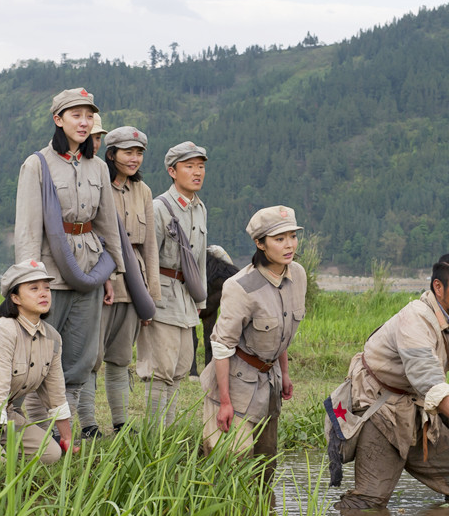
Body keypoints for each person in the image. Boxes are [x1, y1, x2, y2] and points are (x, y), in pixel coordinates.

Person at [330, 251, 449, 508]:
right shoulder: (415, 318)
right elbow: (432, 387)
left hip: (421, 411)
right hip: (382, 408)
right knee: (367, 504)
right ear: (438, 287)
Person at [14, 88, 124, 427]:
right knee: (40, 356)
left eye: (89, 116)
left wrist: (111, 275)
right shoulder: (38, 164)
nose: (84, 122)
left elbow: (107, 224)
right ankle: (35, 435)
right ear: (58, 119)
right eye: (76, 115)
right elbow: (29, 227)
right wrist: (30, 281)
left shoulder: (98, 168)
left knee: (79, 358)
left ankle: (64, 435)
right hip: (50, 272)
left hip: (90, 269)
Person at [201, 206, 307, 482]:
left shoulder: (297, 276)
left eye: (292, 237)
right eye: (279, 239)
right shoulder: (241, 286)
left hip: (268, 383)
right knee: (231, 467)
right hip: (234, 382)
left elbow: (282, 330)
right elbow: (222, 346)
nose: (289, 245)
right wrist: (225, 401)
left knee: (265, 468)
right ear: (260, 244)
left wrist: (284, 374)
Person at [77, 126, 160, 437]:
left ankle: (121, 422)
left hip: (133, 283)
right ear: (111, 154)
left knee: (121, 357)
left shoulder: (144, 192)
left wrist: (150, 295)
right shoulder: (97, 185)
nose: (134, 158)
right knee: (91, 356)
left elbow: (149, 245)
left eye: (138, 153)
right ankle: (87, 424)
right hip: (101, 279)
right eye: (127, 152)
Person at [0, 260, 73, 464]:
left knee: (51, 454)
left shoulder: (52, 337)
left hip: (5, 415)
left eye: (47, 288)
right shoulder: (3, 330)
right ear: (15, 297)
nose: (43, 294)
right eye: (34, 288)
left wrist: (67, 438)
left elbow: (56, 393)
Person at [137, 141, 208, 426]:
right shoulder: (158, 208)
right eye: (189, 166)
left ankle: (167, 439)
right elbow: (145, 258)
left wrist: (200, 301)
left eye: (201, 166)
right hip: (161, 297)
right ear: (172, 171)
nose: (197, 172)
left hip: (186, 301)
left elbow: (200, 259)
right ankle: (153, 441)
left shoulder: (200, 208)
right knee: (159, 371)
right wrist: (147, 303)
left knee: (179, 369)